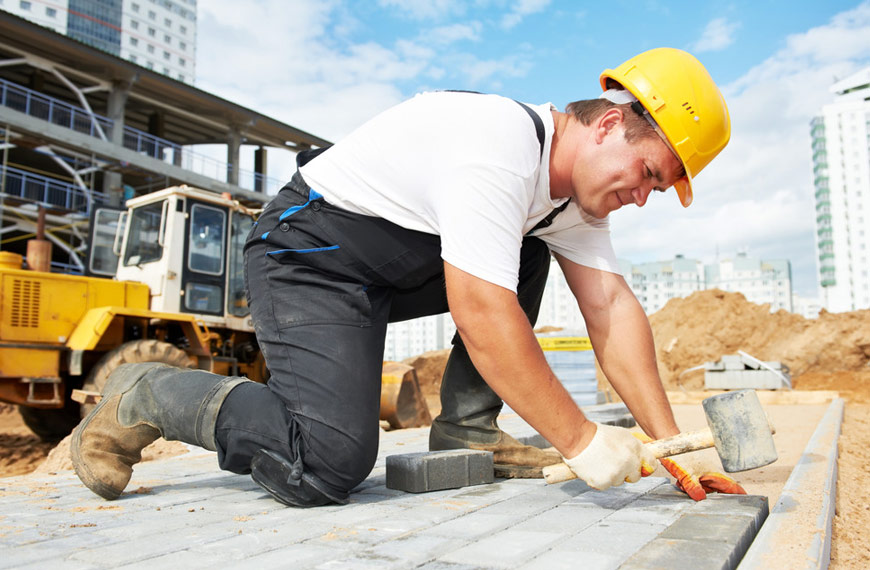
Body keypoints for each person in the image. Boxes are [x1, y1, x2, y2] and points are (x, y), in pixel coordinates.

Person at [71, 47, 744, 507]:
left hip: (387, 271)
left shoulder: (570, 202)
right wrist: (581, 440)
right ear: (613, 124)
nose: (646, 196)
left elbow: (612, 309)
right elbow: (480, 309)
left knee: (530, 247)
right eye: (651, 175)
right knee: (326, 465)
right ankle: (147, 392)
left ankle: (468, 428)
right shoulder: (499, 146)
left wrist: (673, 446)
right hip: (306, 257)